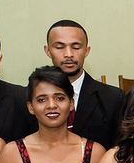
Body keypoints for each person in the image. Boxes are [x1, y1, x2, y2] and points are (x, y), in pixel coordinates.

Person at [46, 20, 125, 149]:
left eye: (76, 47)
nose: (68, 54)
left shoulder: (112, 99)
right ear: (48, 50)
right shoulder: (33, 99)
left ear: (86, 51)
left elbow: (120, 150)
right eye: (59, 47)